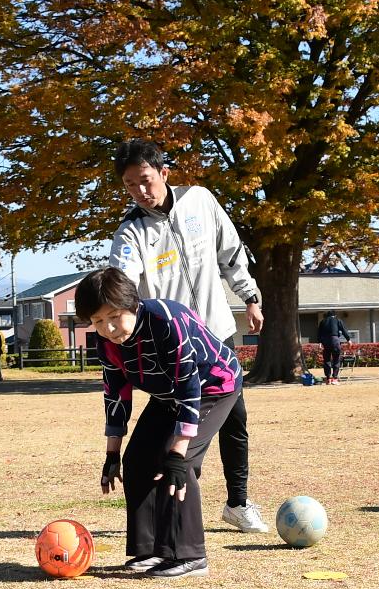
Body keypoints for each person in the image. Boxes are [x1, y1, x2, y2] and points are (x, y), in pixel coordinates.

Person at [108, 139, 269, 533]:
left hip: (216, 334)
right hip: (172, 345)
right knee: (185, 429)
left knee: (235, 419)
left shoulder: (200, 201)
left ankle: (238, 502)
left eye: (145, 180)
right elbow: (123, 285)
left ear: (163, 173)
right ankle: (175, 509)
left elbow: (229, 253)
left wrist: (250, 296)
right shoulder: (130, 235)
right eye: (130, 186)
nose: (140, 192)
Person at [75, 267, 241, 579]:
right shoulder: (107, 344)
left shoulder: (167, 320)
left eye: (114, 316)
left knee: (179, 461)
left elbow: (190, 385)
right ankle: (150, 549)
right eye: (98, 321)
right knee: (136, 459)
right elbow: (116, 394)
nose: (109, 328)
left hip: (213, 386)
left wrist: (178, 451)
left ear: (133, 305)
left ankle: (189, 555)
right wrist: (112, 453)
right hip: (167, 395)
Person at [317, 310, 350, 384]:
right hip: (335, 340)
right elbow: (344, 330)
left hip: (325, 341)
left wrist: (319, 343)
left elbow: (319, 333)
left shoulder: (322, 321)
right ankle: (335, 378)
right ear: (334, 315)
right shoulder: (337, 320)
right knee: (336, 359)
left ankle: (328, 379)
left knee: (327, 360)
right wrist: (348, 339)